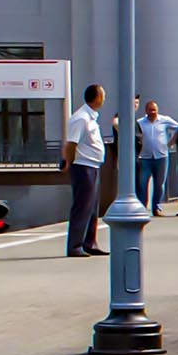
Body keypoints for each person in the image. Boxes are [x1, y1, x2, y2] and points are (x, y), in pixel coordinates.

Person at [63, 84, 107, 256]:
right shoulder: (80, 118)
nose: (104, 98)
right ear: (96, 97)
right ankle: (75, 245)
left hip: (93, 165)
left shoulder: (90, 118)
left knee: (92, 207)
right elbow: (71, 143)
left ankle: (90, 242)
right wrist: (69, 162)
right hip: (83, 166)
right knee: (82, 206)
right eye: (103, 95)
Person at [131, 99, 170, 210]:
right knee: (142, 184)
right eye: (150, 110)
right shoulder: (140, 122)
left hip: (161, 156)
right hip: (145, 158)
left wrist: (172, 141)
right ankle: (142, 207)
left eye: (154, 110)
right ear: (146, 111)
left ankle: (156, 206)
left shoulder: (164, 120)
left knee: (159, 185)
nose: (152, 112)